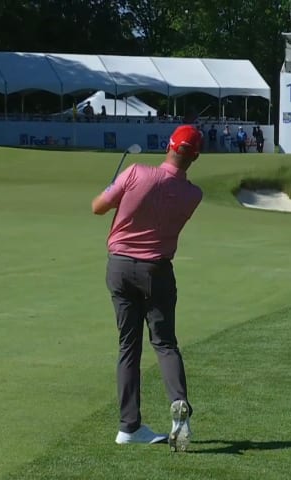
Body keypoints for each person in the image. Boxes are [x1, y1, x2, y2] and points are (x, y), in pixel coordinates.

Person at [91, 125, 203, 452]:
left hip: (119, 267)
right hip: (157, 272)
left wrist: (111, 188)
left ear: (169, 144)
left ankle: (129, 427)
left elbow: (98, 207)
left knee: (128, 347)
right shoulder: (193, 195)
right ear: (195, 157)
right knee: (165, 343)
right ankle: (178, 405)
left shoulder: (135, 172)